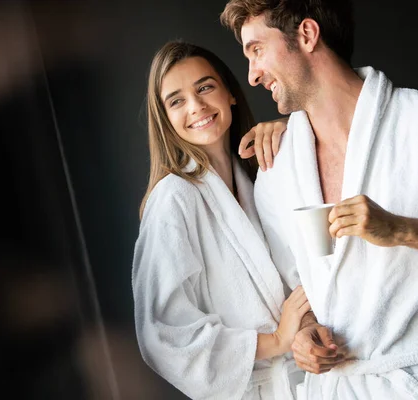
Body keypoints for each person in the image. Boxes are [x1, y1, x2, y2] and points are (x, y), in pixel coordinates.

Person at [220, 1, 418, 399]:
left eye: (256, 50)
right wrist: (303, 337)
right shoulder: (278, 168)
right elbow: (295, 288)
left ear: (306, 35)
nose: (251, 75)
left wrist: (406, 229)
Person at [132, 41, 309, 400]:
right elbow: (161, 333)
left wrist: (291, 134)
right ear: (165, 118)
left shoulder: (257, 177)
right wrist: (275, 341)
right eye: (176, 100)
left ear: (229, 92)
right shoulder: (174, 198)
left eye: (205, 87)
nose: (196, 106)